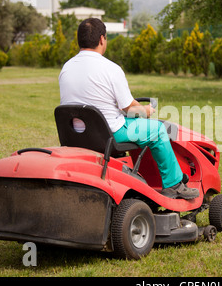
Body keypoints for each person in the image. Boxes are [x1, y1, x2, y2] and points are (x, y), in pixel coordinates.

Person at [58, 18, 199, 200]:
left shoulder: (66, 68)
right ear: (102, 39)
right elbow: (130, 108)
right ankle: (174, 185)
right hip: (110, 133)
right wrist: (147, 111)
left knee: (133, 124)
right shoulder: (110, 69)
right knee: (157, 130)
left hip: (75, 134)